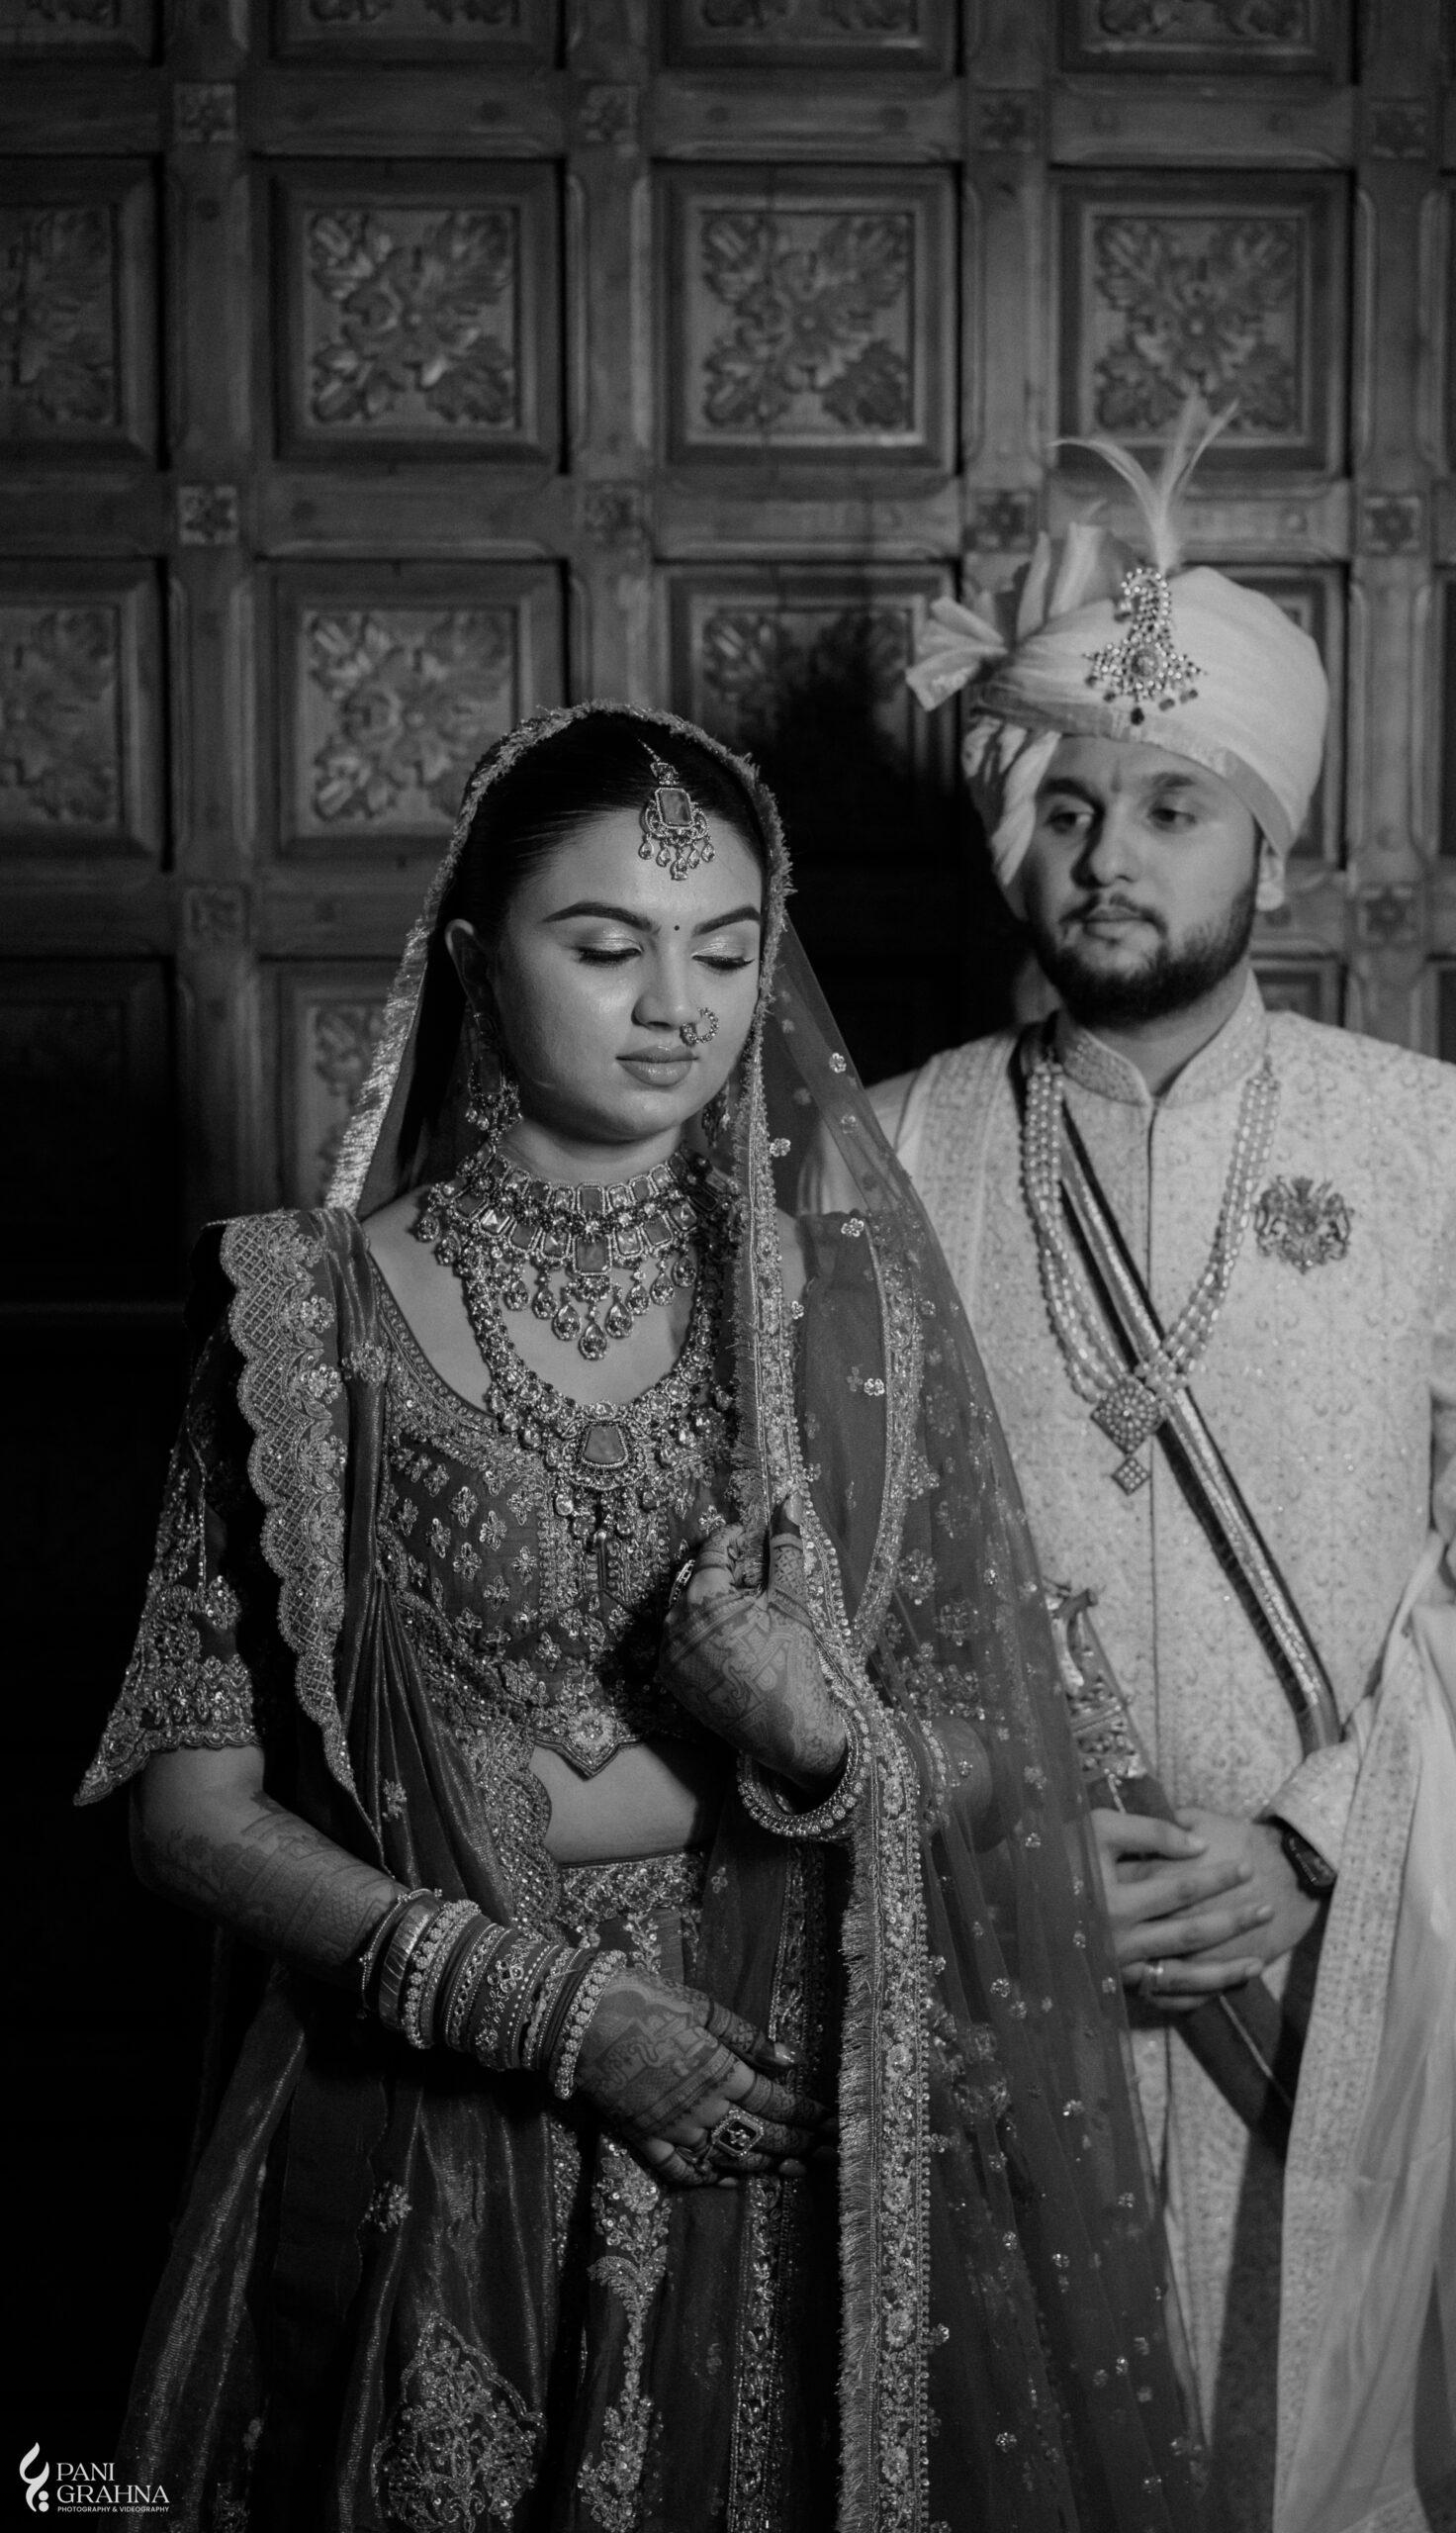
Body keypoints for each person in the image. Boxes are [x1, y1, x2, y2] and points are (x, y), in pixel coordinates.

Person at [76, 704, 1207, 2533]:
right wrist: (557, 2014)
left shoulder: (851, 1315)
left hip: (801, 2096)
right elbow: (187, 1813)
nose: (678, 1005)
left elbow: (1019, 1735)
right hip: (447, 2114)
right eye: (608, 948)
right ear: (473, 962)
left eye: (728, 952)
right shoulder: (300, 1319)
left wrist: (819, 1736)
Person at [887, 413, 1456, 2531]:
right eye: (1069, 805)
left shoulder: (1435, 1145)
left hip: (1333, 1982)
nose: (1111, 855)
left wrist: (1310, 1844)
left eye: (1173, 807)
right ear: (1013, 836)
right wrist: (993, 1848)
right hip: (998, 1971)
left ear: (1272, 851)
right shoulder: (888, 1149)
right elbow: (829, 1575)